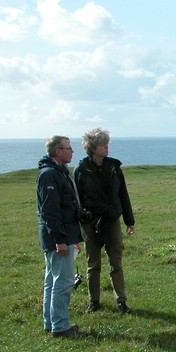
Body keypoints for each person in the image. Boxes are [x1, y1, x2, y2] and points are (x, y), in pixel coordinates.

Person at [73, 127, 136, 314]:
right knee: (93, 263)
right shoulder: (81, 170)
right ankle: (94, 301)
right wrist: (80, 225)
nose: (107, 147)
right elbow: (77, 199)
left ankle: (121, 301)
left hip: (112, 220)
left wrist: (129, 220)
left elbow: (123, 194)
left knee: (116, 262)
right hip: (90, 222)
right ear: (93, 148)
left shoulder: (114, 168)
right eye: (103, 144)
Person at [36, 136, 87, 338]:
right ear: (58, 151)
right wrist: (59, 240)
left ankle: (51, 322)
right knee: (63, 282)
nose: (72, 152)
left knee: (52, 279)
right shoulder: (50, 175)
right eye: (68, 148)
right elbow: (50, 211)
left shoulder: (58, 173)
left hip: (61, 235)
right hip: (58, 237)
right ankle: (61, 326)